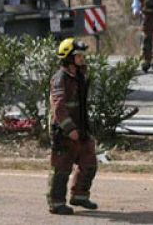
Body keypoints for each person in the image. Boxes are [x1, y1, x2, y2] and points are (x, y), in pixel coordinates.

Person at [47, 38, 98, 215]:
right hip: (64, 131)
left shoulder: (79, 76)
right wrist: (70, 130)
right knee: (62, 167)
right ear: (68, 58)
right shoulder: (60, 79)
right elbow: (59, 107)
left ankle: (80, 195)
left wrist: (84, 129)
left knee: (89, 161)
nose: (82, 59)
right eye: (78, 56)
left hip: (81, 129)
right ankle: (56, 202)